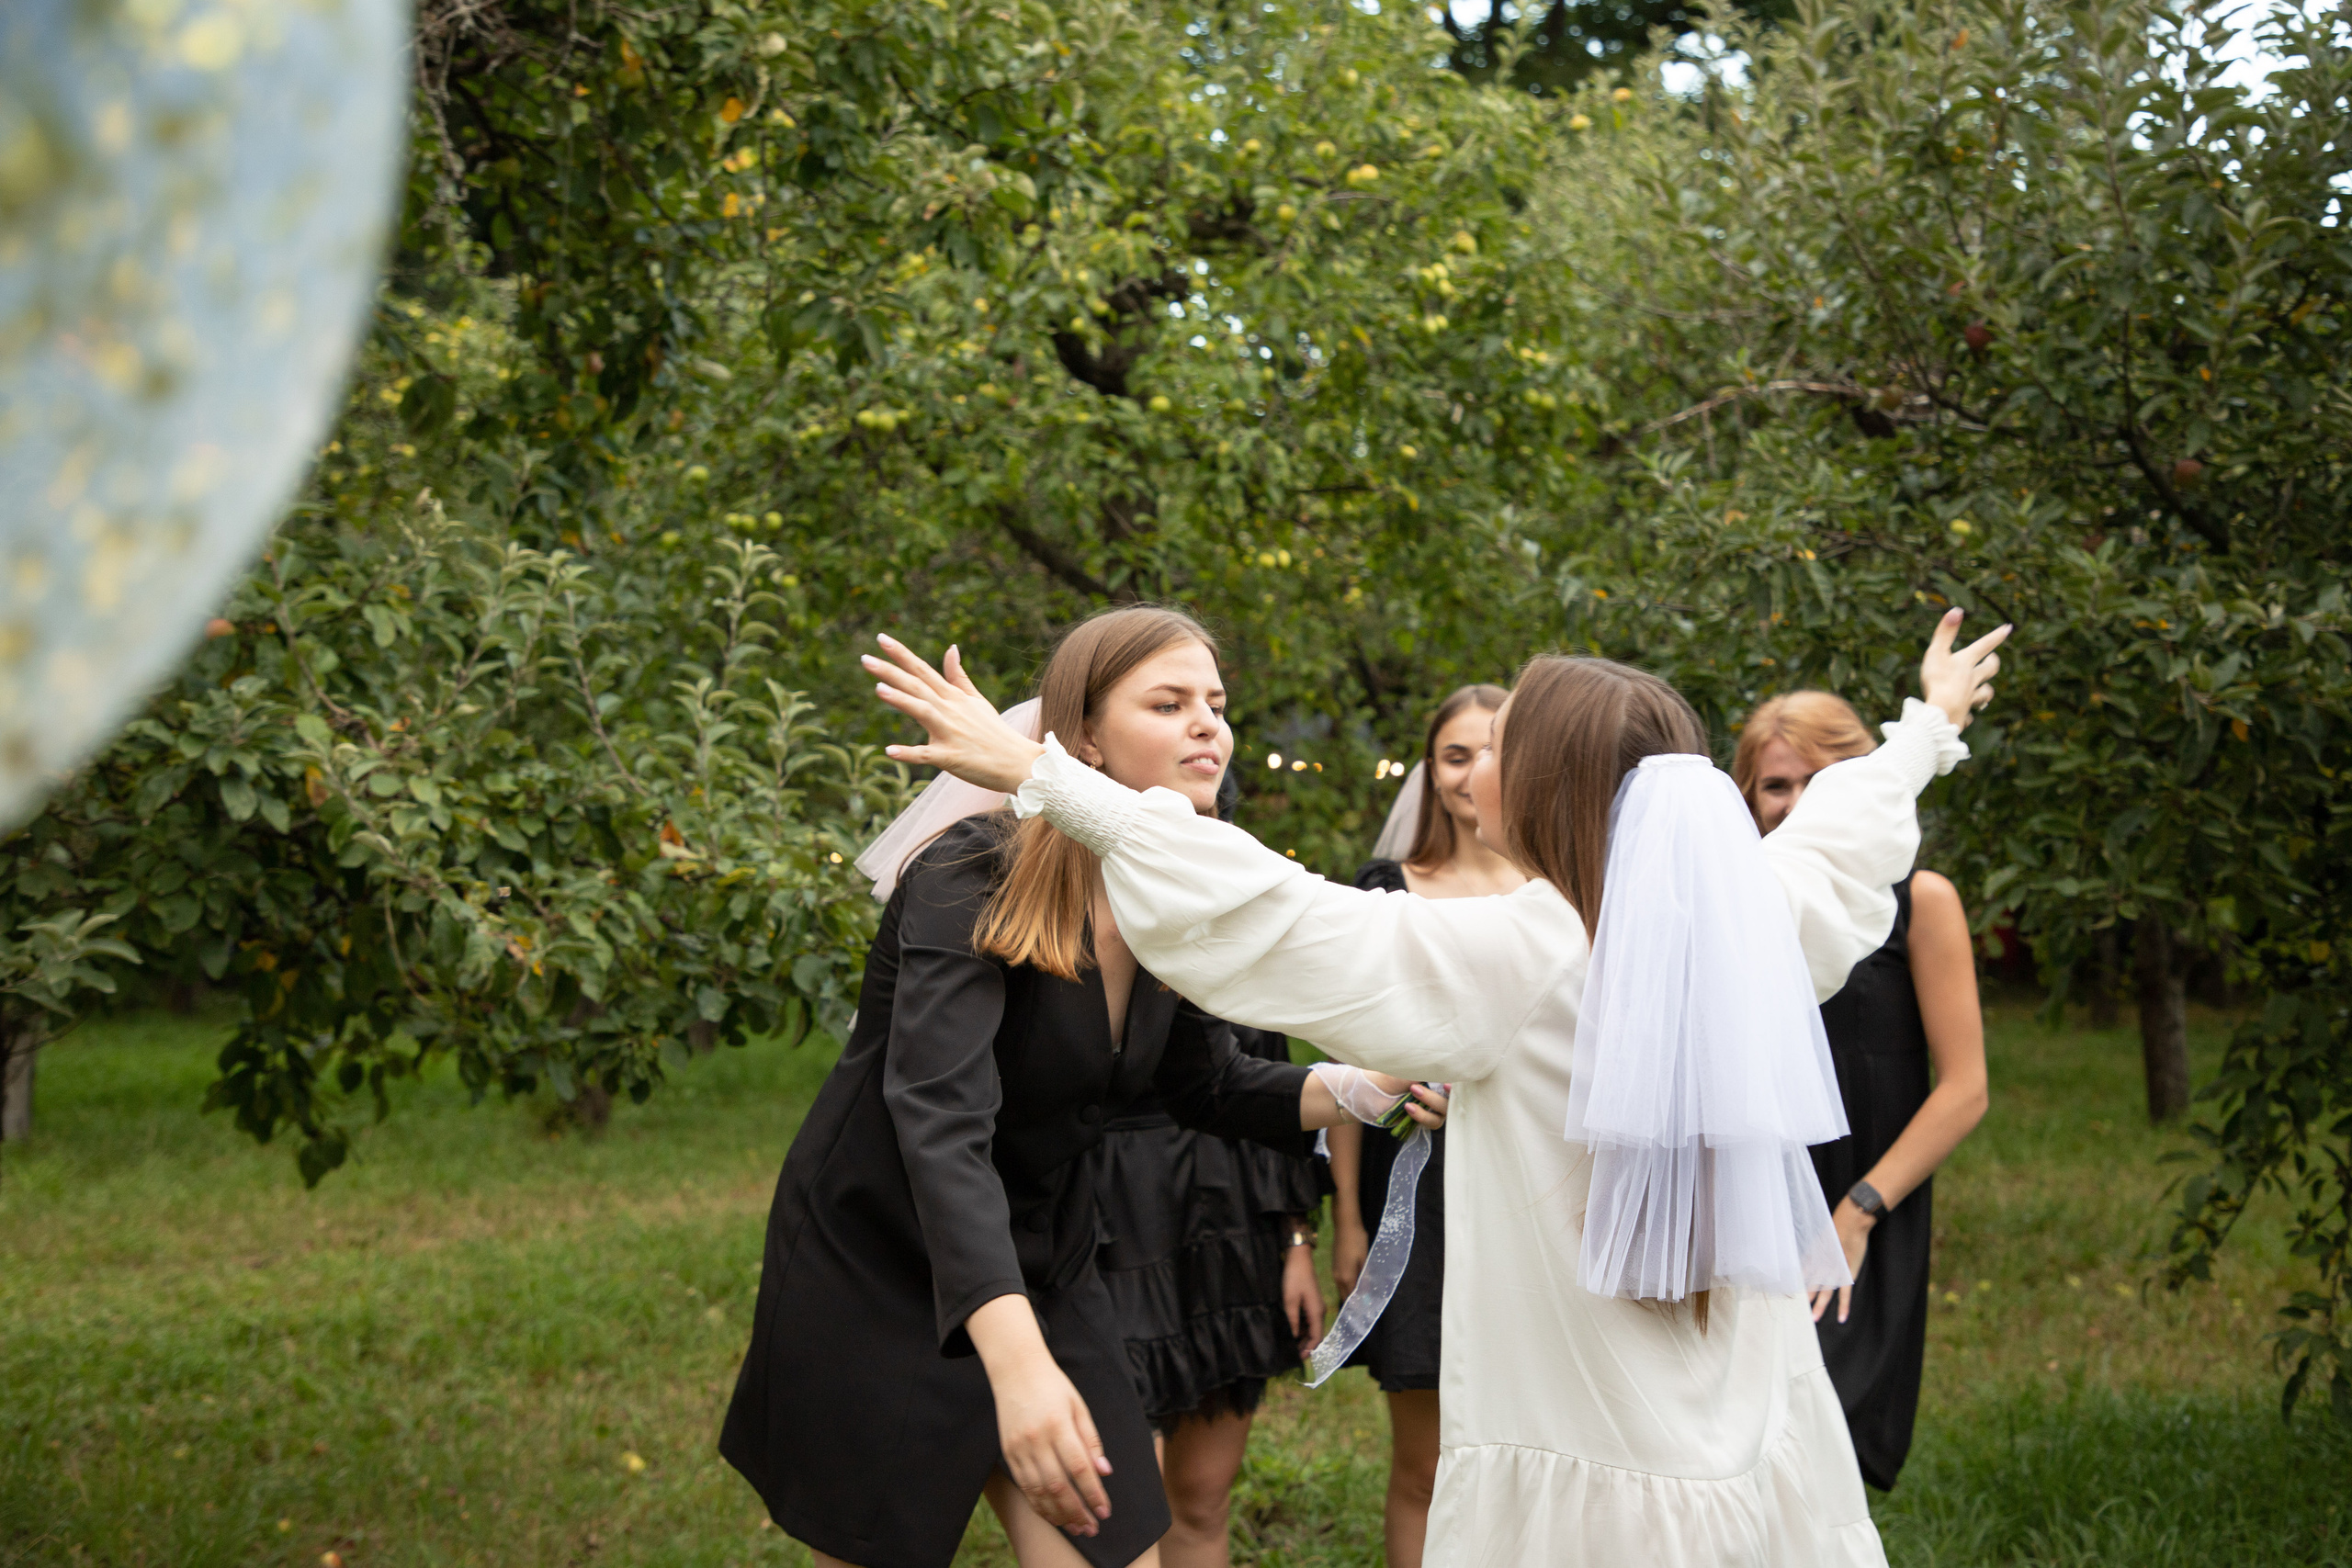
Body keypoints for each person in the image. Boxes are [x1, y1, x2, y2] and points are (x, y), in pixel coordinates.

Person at [862, 607, 2009, 1566]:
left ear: (1555, 788)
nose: (1481, 767)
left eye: (1512, 746)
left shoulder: (1517, 950)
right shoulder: (1757, 913)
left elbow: (1279, 914)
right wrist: (1928, 722)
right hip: (1755, 1428)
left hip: (1584, 1441)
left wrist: (1038, 774)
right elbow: (1848, 836)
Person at [721, 605, 1433, 1568]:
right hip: (882, 1268)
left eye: (1216, 705)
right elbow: (938, 1122)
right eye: (1169, 701)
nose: (1207, 726)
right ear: (1084, 736)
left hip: (1048, 1266)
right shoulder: (966, 877)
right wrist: (1015, 1369)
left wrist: (1351, 1087)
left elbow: (1205, 1084)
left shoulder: (1166, 895)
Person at [1733, 690, 1991, 1491]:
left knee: (1833, 1444)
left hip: (1863, 1203)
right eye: (1778, 784)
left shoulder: (1922, 901)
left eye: (1824, 779)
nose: (1800, 803)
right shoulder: (1737, 909)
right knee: (1743, 1441)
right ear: (1747, 798)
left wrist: (1859, 1212)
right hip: (1754, 1200)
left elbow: (1966, 1087)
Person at [1324, 682, 1520, 1568]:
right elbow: (1349, 1070)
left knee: (1531, 1443)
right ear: (1429, 770)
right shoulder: (1386, 890)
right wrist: (1349, 1220)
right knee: (1427, 1457)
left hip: (1528, 1192)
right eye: (1453, 754)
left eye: (1492, 749)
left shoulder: (1560, 889)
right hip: (1419, 1197)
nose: (1472, 770)